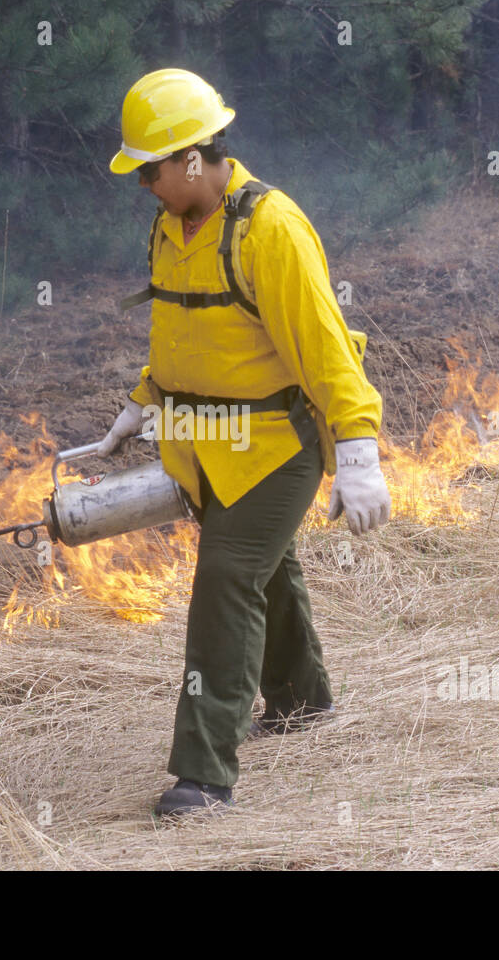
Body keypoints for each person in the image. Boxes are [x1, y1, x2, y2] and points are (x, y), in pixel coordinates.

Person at [99, 68, 392, 816]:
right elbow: (186, 333)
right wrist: (146, 402)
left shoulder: (271, 230)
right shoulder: (172, 227)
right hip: (207, 445)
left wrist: (357, 453)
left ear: (192, 159)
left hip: (275, 447)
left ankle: (203, 776)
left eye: (151, 169)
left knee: (227, 578)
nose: (143, 185)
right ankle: (302, 701)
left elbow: (326, 353)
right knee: (265, 569)